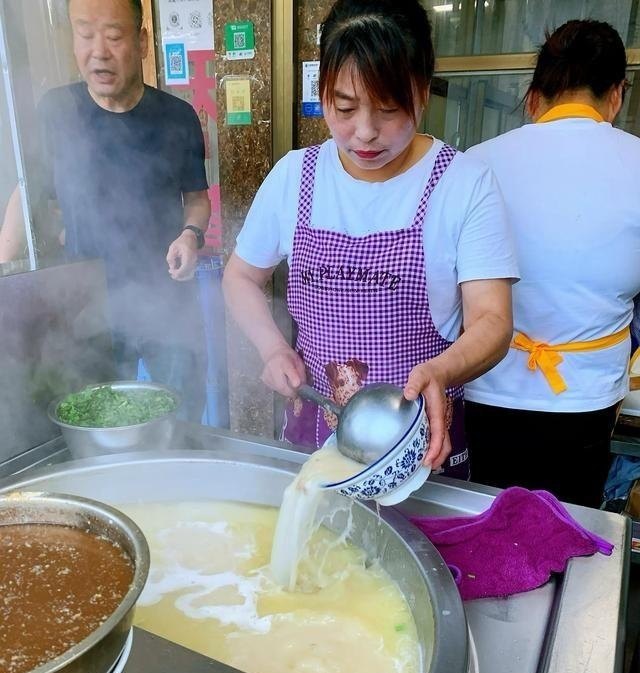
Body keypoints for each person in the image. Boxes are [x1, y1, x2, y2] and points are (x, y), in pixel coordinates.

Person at [222, 0, 518, 477]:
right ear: (322, 91)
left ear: (423, 92)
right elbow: (240, 277)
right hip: (315, 439)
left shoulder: (463, 183)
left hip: (420, 446)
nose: (365, 133)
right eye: (344, 107)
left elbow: (493, 321)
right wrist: (273, 348)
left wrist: (441, 371)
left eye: (388, 109)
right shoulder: (294, 177)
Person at [0, 0, 210, 421]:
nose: (99, 50)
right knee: (96, 423)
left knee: (182, 419)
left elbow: (197, 198)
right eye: (84, 33)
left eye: (114, 36)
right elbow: (28, 194)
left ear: (142, 42)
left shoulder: (177, 117)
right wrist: (3, 269)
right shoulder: (55, 112)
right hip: (85, 307)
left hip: (164, 299)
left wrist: (191, 235)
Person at [464, 19, 640, 508]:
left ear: (536, 94)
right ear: (617, 94)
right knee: (568, 527)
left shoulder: (476, 163)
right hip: (587, 399)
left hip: (488, 385)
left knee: (491, 521)